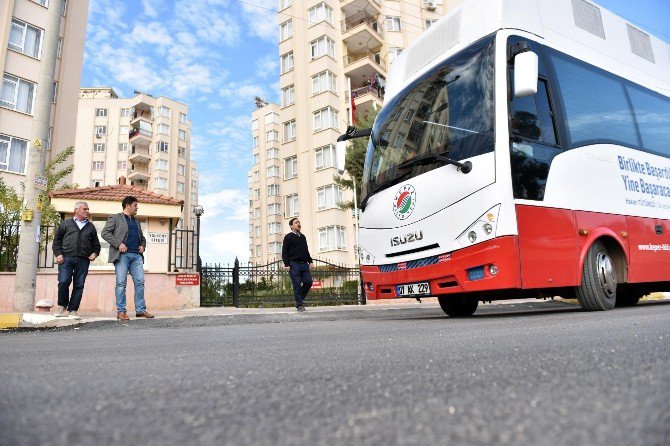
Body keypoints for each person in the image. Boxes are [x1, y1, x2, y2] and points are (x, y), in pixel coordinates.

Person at [101, 196, 154, 320]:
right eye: (135, 205)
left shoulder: (136, 221)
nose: (137, 207)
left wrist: (142, 245)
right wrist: (118, 244)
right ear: (128, 205)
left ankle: (140, 310)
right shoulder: (115, 217)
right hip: (122, 256)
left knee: (140, 282)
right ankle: (121, 311)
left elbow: (142, 238)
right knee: (121, 284)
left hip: (136, 256)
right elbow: (105, 233)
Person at [52, 202, 101, 320]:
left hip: (83, 260)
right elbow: (57, 241)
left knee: (79, 285)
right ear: (76, 210)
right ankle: (62, 306)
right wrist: (58, 254)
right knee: (63, 281)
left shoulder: (91, 227)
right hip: (66, 258)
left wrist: (94, 253)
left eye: (88, 209)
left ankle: (73, 309)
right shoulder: (66, 224)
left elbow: (96, 245)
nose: (87, 211)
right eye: (84, 209)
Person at [282, 218, 313, 312]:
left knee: (308, 282)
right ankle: (300, 305)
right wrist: (286, 264)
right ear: (291, 226)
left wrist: (310, 261)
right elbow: (284, 251)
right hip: (294, 264)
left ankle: (299, 300)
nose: (298, 224)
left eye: (299, 222)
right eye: (296, 223)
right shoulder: (288, 237)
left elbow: (306, 250)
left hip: (304, 264)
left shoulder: (303, 237)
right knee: (297, 284)